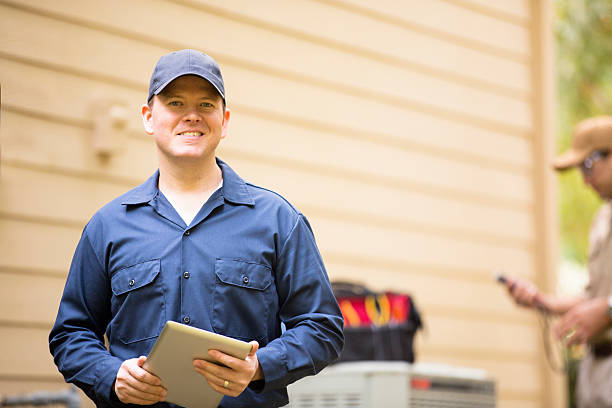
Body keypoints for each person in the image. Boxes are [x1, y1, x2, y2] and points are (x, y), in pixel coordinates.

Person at [49, 49, 344, 408]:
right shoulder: (107, 226)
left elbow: (322, 327)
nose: (191, 116)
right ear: (148, 117)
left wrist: (259, 366)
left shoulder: (278, 220)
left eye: (206, 104)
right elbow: (71, 334)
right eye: (175, 102)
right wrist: (111, 376)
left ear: (225, 120)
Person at [504, 116, 612, 408]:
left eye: (588, 165)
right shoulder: (602, 218)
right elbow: (595, 298)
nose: (584, 180)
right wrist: (544, 302)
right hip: (597, 369)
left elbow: (604, 306)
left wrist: (608, 310)